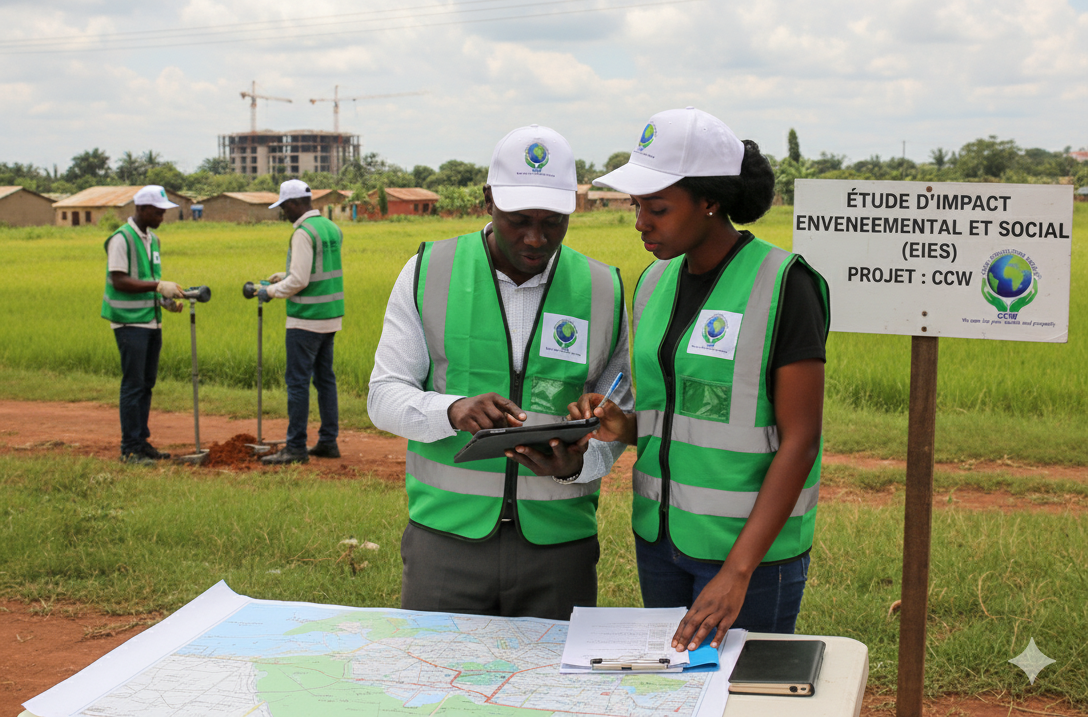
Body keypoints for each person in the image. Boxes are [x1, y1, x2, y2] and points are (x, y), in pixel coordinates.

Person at [579, 106, 829, 652]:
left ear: (710, 201)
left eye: (658, 208)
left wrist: (737, 573)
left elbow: (802, 440)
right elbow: (686, 410)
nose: (641, 222)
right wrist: (626, 426)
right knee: (677, 688)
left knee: (741, 694)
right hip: (660, 540)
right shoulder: (654, 282)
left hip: (750, 558)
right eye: (637, 206)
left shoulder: (784, 284)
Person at [368, 124, 632, 620]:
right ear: (488, 199)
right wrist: (451, 410)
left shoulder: (603, 288)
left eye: (553, 221)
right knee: (433, 669)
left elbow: (618, 413)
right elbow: (383, 395)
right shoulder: (429, 270)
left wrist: (577, 465)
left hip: (560, 544)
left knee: (551, 672)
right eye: (519, 220)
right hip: (446, 540)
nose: (536, 238)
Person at [258, 179, 345, 465]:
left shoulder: (302, 232)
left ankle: (295, 447)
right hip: (330, 317)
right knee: (325, 381)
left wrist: (270, 291)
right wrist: (283, 276)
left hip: (305, 320)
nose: (284, 213)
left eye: (284, 207)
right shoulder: (331, 228)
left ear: (294, 203)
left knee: (297, 384)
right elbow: (316, 270)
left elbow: (299, 280)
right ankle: (328, 441)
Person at [102, 184, 188, 464]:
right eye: (158, 211)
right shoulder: (121, 239)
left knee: (147, 383)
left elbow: (151, 281)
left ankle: (141, 442)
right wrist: (158, 286)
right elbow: (119, 280)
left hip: (151, 322)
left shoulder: (153, 240)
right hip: (129, 323)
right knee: (134, 384)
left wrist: (165, 301)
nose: (163, 216)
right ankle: (130, 448)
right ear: (141, 208)